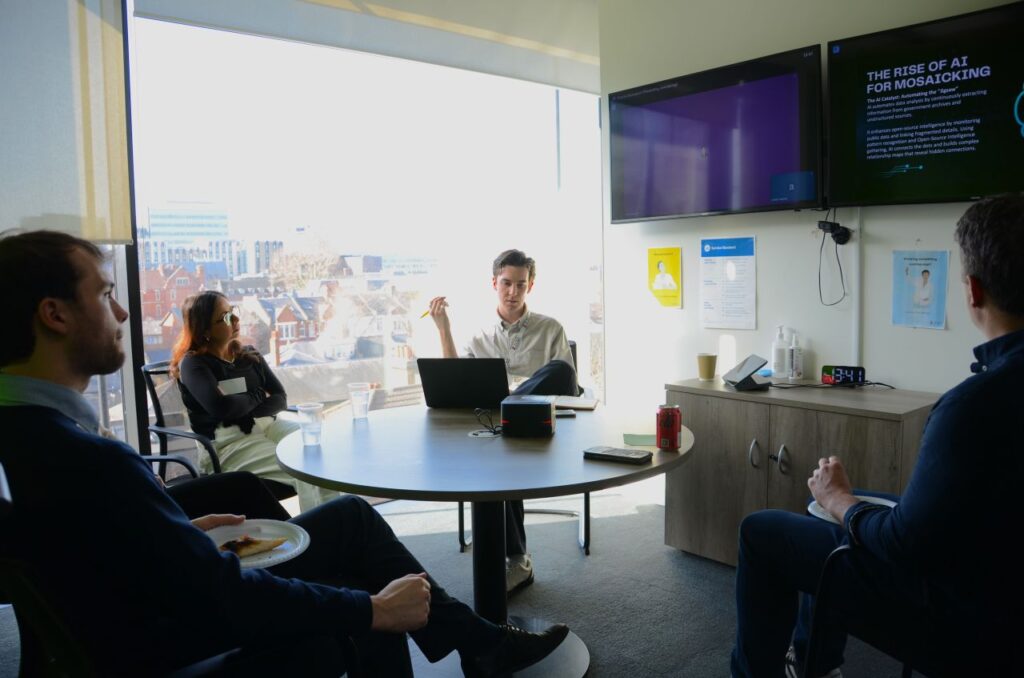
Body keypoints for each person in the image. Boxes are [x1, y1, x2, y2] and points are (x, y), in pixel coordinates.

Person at [0, 230, 569, 676]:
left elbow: (87, 550)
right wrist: (373, 610)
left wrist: (173, 533)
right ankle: (476, 640)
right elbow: (221, 596)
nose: (122, 314)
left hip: (134, 608)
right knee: (360, 575)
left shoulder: (28, 438)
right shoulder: (91, 458)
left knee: (349, 519)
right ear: (55, 314)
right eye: (106, 295)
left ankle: (476, 640)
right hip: (160, 636)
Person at [731, 194, 1024, 678]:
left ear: (973, 291)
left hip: (969, 622)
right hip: (999, 575)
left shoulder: (972, 406)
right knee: (837, 516)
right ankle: (813, 664)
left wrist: (839, 500)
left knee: (762, 531)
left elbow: (904, 545)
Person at [428, 248, 578, 594]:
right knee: (499, 461)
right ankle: (517, 560)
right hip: (498, 433)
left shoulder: (550, 328)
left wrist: (516, 400)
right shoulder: (479, 335)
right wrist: (444, 328)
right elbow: (455, 384)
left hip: (538, 424)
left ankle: (507, 407)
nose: (513, 292)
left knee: (560, 368)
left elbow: (567, 386)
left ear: (531, 286)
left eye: (521, 285)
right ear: (494, 283)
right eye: (506, 283)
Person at [171, 290, 333, 511]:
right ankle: (319, 527)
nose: (236, 319)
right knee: (301, 465)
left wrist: (242, 406)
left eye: (233, 311)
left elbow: (280, 398)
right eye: (226, 317)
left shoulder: (248, 355)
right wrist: (257, 396)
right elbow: (221, 408)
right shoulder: (193, 364)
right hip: (229, 444)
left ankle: (336, 521)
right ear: (205, 330)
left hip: (269, 426)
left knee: (319, 450)